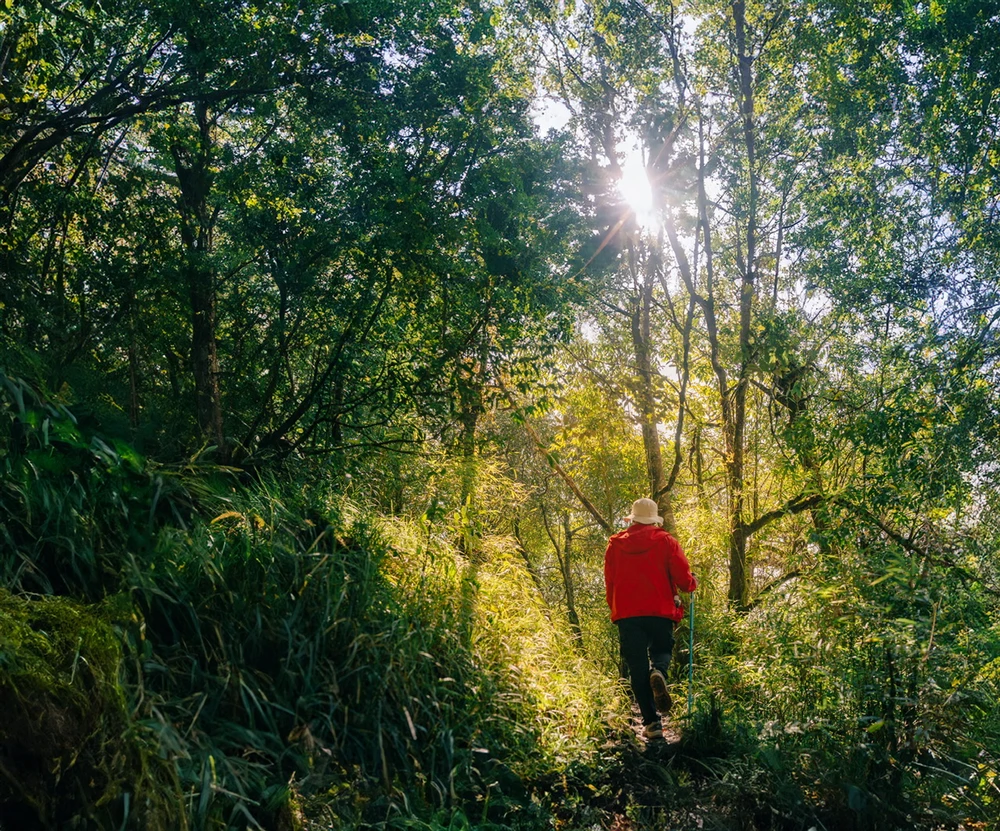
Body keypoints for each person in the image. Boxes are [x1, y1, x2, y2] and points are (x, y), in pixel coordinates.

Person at [604, 497, 697, 740]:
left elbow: (610, 581)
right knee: (662, 649)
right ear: (654, 519)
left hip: (627, 614)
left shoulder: (615, 544)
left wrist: (615, 608)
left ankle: (652, 723)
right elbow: (683, 578)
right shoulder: (667, 541)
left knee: (636, 668)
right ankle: (659, 672)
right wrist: (691, 583)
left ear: (633, 519)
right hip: (660, 610)